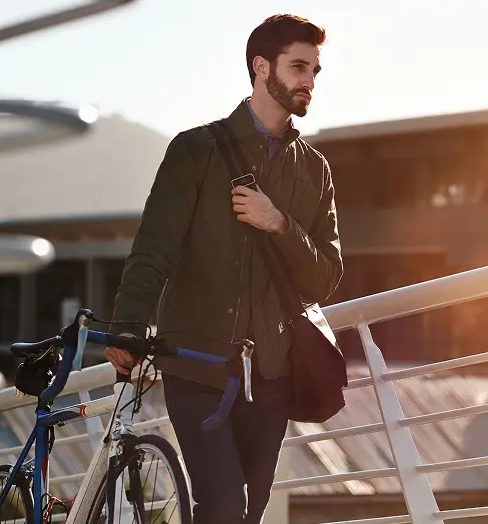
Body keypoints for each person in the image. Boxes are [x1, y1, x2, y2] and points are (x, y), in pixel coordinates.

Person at [104, 14, 342, 523]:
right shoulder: (195, 151)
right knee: (222, 505)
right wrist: (127, 325)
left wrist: (279, 223)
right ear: (261, 67)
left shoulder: (314, 169)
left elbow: (325, 278)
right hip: (196, 366)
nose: (310, 81)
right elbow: (154, 249)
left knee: (250, 511)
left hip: (273, 375)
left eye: (316, 70)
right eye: (299, 66)